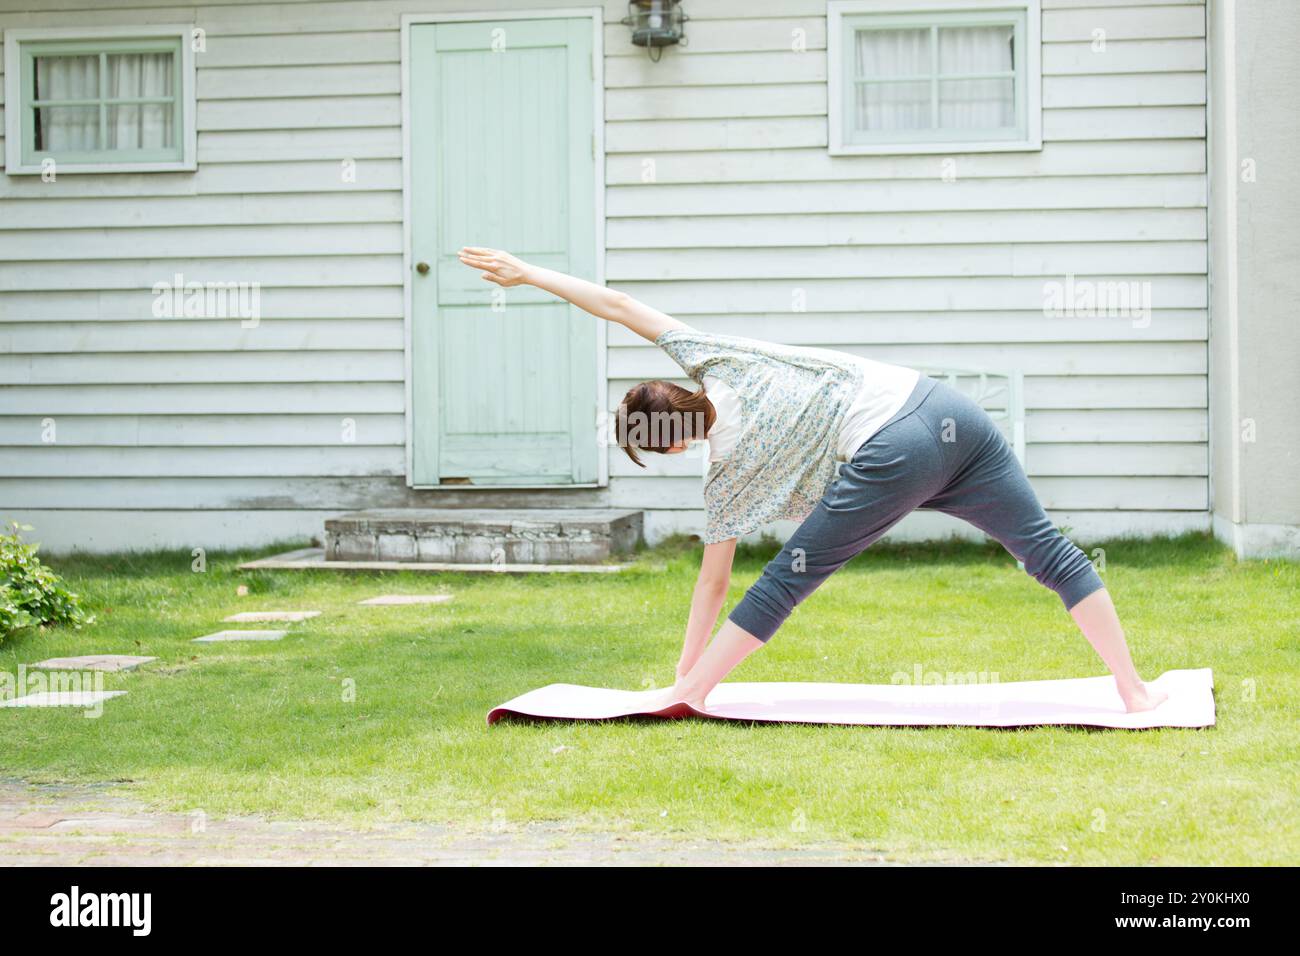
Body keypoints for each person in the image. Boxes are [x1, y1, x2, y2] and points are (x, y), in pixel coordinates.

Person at [457, 247, 1168, 715]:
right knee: (1048, 551)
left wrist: (682, 671)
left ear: (670, 446)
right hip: (952, 414)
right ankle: (1132, 691)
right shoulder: (713, 356)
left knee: (789, 577)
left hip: (893, 450)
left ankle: (693, 696)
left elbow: (715, 583)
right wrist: (530, 273)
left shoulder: (726, 476)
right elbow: (617, 304)